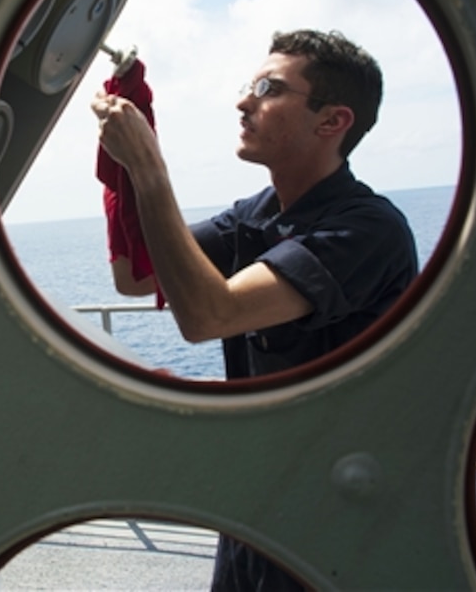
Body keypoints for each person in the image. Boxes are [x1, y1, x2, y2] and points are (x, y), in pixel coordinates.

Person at [91, 29, 419, 590]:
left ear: (332, 121)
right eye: (250, 86)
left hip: (333, 517)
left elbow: (208, 317)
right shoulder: (256, 213)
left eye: (268, 89)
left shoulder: (367, 230)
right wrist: (126, 162)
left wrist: (149, 168)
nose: (245, 101)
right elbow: (136, 275)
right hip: (257, 502)